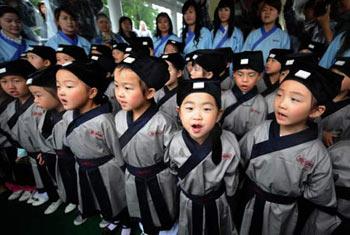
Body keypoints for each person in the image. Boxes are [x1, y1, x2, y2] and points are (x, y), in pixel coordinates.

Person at [238, 64, 342, 235]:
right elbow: (240, 161)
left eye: (294, 99)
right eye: (279, 95)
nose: (282, 104)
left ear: (316, 110)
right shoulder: (260, 130)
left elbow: (319, 194)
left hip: (284, 213)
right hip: (249, 200)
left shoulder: (316, 153)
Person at [56, 61, 130, 232]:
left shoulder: (105, 119)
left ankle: (124, 222)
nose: (61, 92)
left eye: (68, 86)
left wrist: (121, 170)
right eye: (58, 86)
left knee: (115, 196)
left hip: (107, 169)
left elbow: (116, 151)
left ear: (92, 92)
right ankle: (111, 218)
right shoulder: (67, 115)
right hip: (82, 166)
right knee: (98, 196)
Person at [166, 79, 241, 234]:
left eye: (206, 109)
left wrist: (232, 200)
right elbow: (173, 171)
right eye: (190, 108)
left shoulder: (229, 142)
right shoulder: (174, 142)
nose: (197, 116)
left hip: (218, 202)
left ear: (219, 114)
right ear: (178, 112)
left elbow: (231, 180)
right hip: (188, 201)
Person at [114, 55, 178, 234]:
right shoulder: (118, 118)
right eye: (117, 85)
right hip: (133, 174)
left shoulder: (164, 121)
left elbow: (173, 155)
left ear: (150, 92)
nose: (119, 93)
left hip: (160, 178)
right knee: (140, 207)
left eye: (127, 88)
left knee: (164, 209)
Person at [26, 66, 64, 215]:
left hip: (67, 160)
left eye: (38, 95)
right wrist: (45, 151)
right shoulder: (46, 113)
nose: (35, 101)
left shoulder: (70, 116)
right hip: (50, 157)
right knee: (59, 182)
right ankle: (62, 198)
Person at [220, 51, 267, 140]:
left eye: (251, 75)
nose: (245, 80)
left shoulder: (261, 103)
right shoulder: (223, 97)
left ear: (259, 76)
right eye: (240, 74)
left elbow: (258, 133)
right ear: (233, 74)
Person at [319, 57, 350, 147]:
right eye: (332, 73)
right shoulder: (318, 95)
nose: (333, 78)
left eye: (340, 75)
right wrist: (321, 133)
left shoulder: (347, 110)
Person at [156, 53, 185, 119]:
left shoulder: (185, 94)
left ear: (179, 73)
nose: (164, 74)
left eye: (168, 70)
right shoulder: (154, 91)